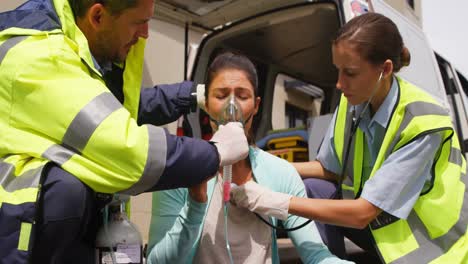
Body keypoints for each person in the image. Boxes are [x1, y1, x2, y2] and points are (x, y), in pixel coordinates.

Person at [0, 0, 249, 263]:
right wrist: (215, 152)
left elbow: (115, 108)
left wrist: (193, 95)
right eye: (139, 22)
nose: (145, 34)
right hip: (19, 234)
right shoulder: (39, 55)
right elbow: (124, 145)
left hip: (52, 230)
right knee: (66, 189)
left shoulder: (76, 42)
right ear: (97, 16)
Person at [230, 13, 468, 264]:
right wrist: (262, 161)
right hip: (380, 227)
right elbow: (329, 170)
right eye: (338, 71)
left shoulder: (423, 122)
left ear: (385, 69)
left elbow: (363, 213)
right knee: (313, 189)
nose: (340, 84)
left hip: (432, 249)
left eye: (350, 73)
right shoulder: (353, 103)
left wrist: (275, 201)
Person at [146, 51, 352, 264]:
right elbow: (157, 261)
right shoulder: (182, 173)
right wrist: (195, 204)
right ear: (206, 104)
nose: (231, 107)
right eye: (220, 95)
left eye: (242, 96)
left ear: (256, 105)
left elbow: (317, 256)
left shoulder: (280, 173)